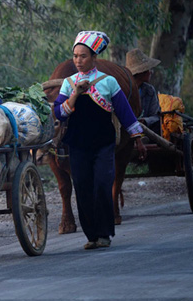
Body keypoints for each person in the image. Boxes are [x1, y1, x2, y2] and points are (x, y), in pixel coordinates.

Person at [54, 30, 147, 250]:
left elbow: (125, 113)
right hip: (77, 145)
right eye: (75, 56)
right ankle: (91, 236)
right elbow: (59, 113)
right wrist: (75, 94)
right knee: (83, 188)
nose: (78, 60)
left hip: (104, 144)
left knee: (103, 185)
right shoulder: (68, 84)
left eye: (83, 56)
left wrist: (138, 139)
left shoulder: (109, 82)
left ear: (94, 58)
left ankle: (104, 234)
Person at [125, 48, 161, 134]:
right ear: (141, 72)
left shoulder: (149, 90)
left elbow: (156, 115)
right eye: (148, 70)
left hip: (146, 129)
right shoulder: (124, 89)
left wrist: (145, 121)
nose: (151, 72)